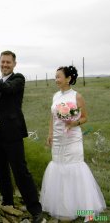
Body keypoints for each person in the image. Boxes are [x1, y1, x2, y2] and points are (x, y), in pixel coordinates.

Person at [0, 50, 46, 223]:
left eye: (8, 62)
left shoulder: (18, 79)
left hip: (12, 133)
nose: (5, 65)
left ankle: (35, 210)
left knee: (20, 171)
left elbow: (7, 88)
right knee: (1, 170)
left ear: (14, 64)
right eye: (2, 62)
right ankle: (8, 203)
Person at [40, 66, 106, 222]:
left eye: (59, 77)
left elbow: (84, 118)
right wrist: (50, 134)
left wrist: (73, 123)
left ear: (68, 79)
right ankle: (63, 207)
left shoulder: (77, 96)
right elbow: (52, 117)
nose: (56, 80)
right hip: (58, 139)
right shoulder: (55, 96)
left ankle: (84, 210)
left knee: (74, 168)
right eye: (55, 77)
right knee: (59, 168)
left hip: (72, 139)